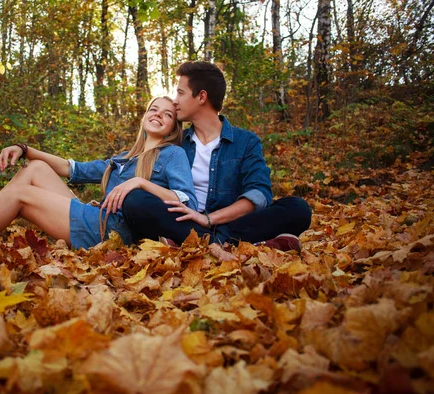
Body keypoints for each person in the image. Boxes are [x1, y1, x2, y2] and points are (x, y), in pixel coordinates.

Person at [0, 96, 197, 250]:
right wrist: (25, 149)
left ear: (174, 128)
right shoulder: (122, 159)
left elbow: (186, 200)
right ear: (144, 117)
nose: (158, 115)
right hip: (98, 217)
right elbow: (71, 169)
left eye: (167, 115)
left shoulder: (173, 155)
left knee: (21, 195)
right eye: (154, 109)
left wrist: (141, 183)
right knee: (36, 168)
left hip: (115, 231)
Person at [122, 61, 312, 252]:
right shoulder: (176, 144)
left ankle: (206, 241)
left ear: (201, 97)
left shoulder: (245, 141)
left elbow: (259, 194)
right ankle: (232, 243)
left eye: (180, 93)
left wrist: (208, 219)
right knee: (136, 201)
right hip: (184, 222)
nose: (175, 101)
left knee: (298, 208)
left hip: (231, 223)